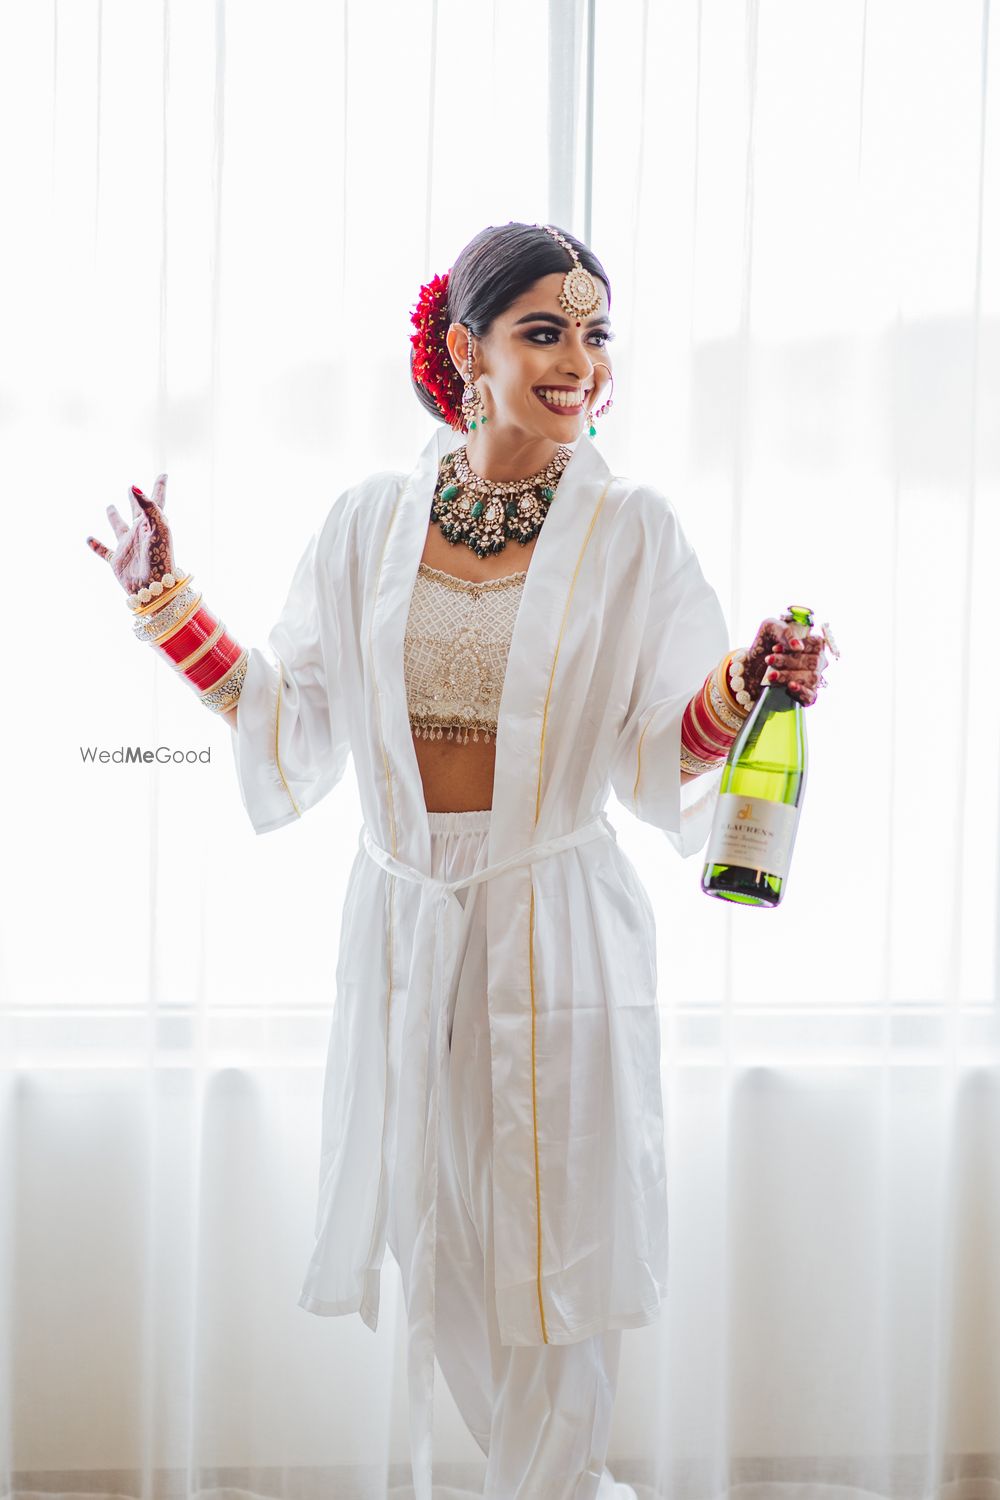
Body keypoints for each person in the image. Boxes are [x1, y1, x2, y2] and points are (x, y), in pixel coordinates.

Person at [87, 221, 831, 1500]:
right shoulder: (370, 522)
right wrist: (167, 606)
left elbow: (661, 756)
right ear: (463, 351)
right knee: (438, 1246)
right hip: (408, 927)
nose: (579, 362)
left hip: (558, 924)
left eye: (596, 335)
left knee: (561, 1259)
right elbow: (297, 716)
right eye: (543, 329)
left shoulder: (630, 534)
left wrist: (745, 678)